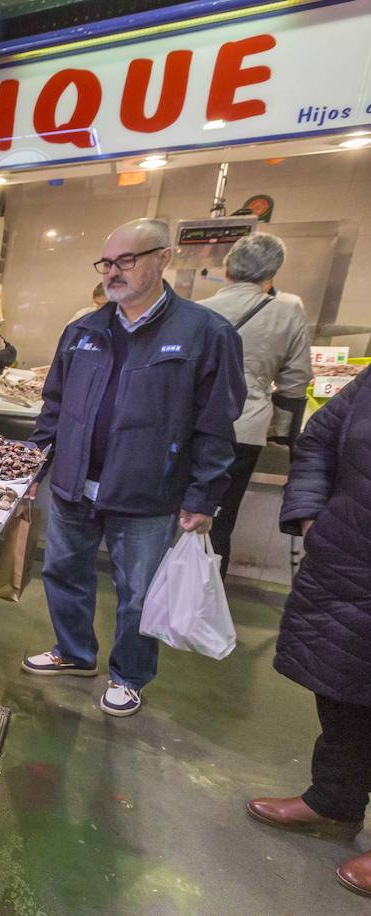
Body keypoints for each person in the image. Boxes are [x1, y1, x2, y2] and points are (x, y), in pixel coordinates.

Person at [22, 218, 245, 717]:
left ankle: (129, 674)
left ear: (163, 258)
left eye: (128, 260)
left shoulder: (205, 333)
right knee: (62, 572)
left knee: (137, 592)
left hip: (148, 492)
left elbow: (216, 422)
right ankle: (75, 652)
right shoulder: (83, 330)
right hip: (74, 484)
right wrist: (34, 464)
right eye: (107, 263)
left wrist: (203, 495)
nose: (114, 272)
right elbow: (54, 407)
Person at [246, 369, 371, 897]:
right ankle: (333, 802)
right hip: (349, 560)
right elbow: (319, 438)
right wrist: (310, 517)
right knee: (342, 687)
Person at [199, 233, 312, 579]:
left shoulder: (199, 311)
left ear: (228, 269)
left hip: (194, 427)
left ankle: (160, 597)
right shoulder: (289, 309)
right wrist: (280, 433)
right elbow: (296, 378)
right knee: (219, 519)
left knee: (178, 512)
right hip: (244, 430)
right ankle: (205, 604)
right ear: (271, 274)